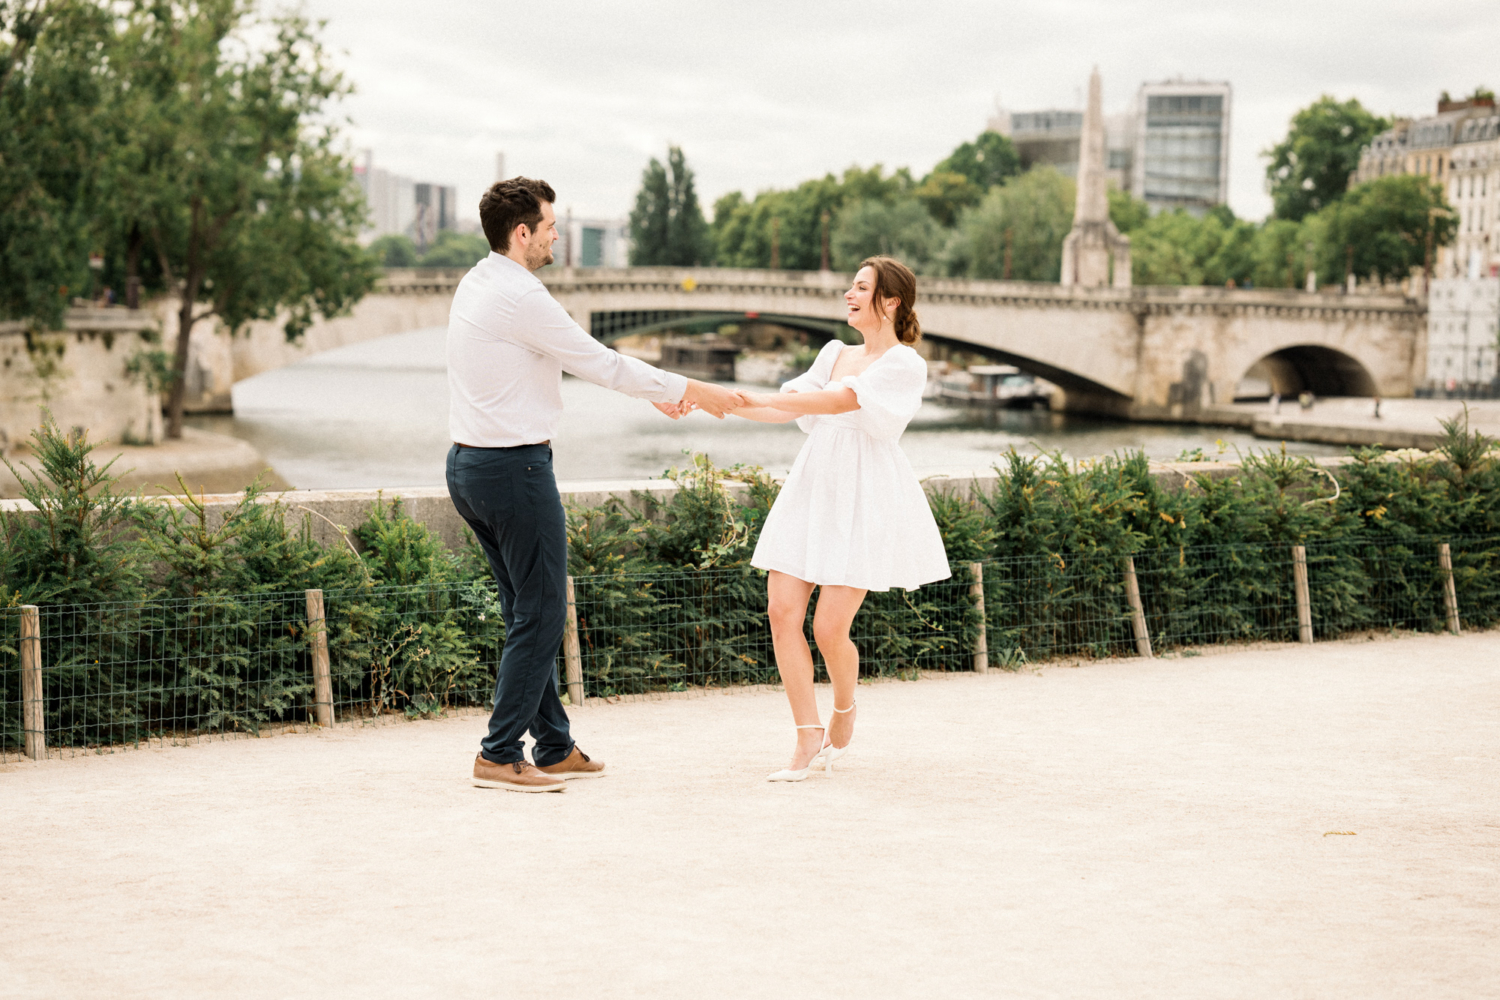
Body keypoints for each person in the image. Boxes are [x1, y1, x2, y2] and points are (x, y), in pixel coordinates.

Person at [448, 177, 745, 792]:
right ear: (522, 233)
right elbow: (599, 361)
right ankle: (498, 753)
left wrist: (661, 394)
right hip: (514, 468)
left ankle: (553, 746)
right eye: (550, 226)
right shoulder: (521, 296)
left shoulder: (477, 281)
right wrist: (691, 390)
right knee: (544, 610)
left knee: (525, 611)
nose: (558, 234)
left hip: (468, 465)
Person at [729, 256, 950, 781]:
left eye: (860, 287)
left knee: (830, 628)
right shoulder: (834, 351)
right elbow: (790, 406)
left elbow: (839, 401)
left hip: (864, 493)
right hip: (815, 485)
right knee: (782, 611)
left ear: (890, 301)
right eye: (849, 286)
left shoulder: (904, 364)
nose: (848, 294)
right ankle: (807, 738)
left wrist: (751, 397)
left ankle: (844, 708)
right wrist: (719, 402)